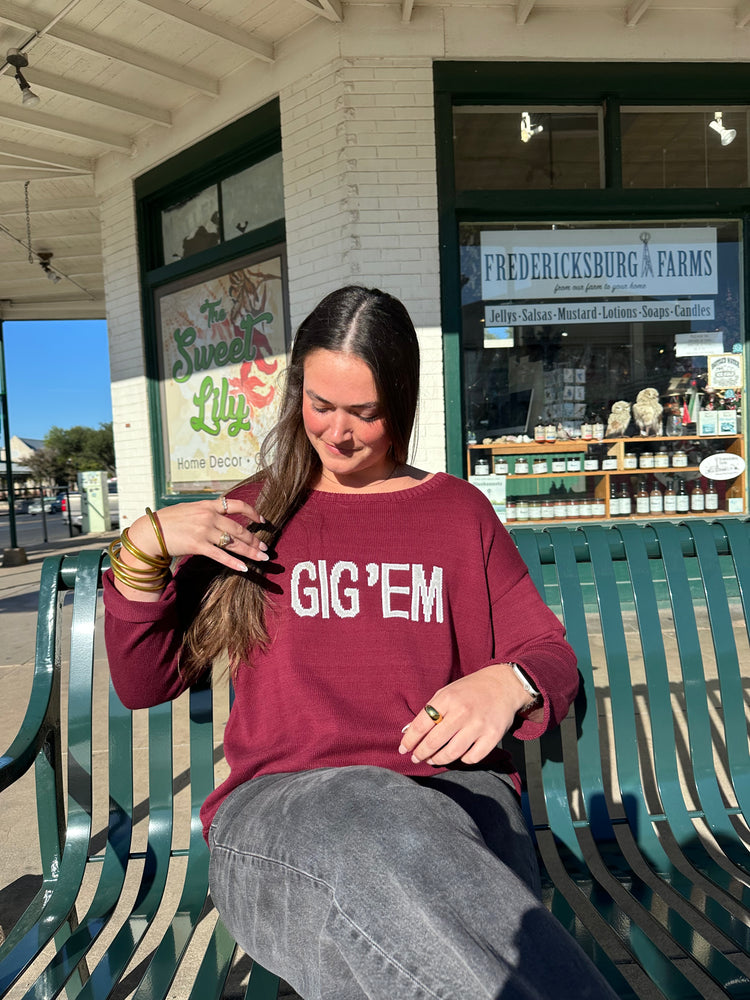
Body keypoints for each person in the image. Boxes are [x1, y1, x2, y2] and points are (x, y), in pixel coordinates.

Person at [104, 285, 619, 1000]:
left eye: (364, 412)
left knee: (379, 933)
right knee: (370, 814)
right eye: (319, 405)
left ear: (401, 401)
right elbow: (144, 682)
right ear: (296, 392)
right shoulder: (252, 514)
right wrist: (142, 552)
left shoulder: (455, 512)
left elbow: (550, 655)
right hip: (284, 820)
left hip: (456, 812)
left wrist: (511, 682)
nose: (337, 433)